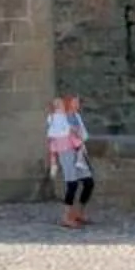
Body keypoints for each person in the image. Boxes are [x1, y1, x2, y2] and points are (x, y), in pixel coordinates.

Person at [54, 94, 96, 230]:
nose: (77, 104)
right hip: (67, 152)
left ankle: (79, 213)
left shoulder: (76, 116)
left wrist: (79, 134)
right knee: (72, 184)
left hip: (78, 151)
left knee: (88, 183)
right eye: (75, 102)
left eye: (78, 102)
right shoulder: (60, 117)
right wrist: (71, 131)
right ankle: (66, 217)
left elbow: (84, 134)